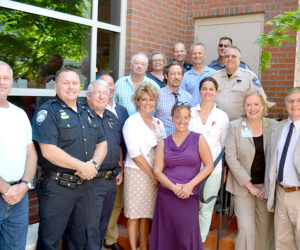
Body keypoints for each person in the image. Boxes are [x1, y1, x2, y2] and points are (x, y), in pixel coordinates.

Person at [32, 68, 107, 250]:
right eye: (65, 83)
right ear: (56, 85)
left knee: (77, 240)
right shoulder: (47, 112)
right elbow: (49, 151)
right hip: (57, 189)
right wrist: (83, 166)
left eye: (75, 83)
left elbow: (102, 143)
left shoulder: (87, 113)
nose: (71, 87)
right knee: (50, 241)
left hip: (85, 187)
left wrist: (94, 165)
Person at [150, 103, 214, 250]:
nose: (181, 121)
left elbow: (209, 165)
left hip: (189, 195)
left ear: (190, 119)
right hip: (167, 196)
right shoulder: (163, 143)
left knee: (187, 236)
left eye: (185, 117)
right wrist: (173, 188)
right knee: (166, 236)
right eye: (178, 117)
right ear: (172, 118)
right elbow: (157, 171)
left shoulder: (198, 139)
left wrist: (190, 185)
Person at [225, 91, 277, 250]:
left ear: (263, 107)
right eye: (248, 105)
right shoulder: (235, 127)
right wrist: (251, 187)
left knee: (265, 230)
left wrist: (267, 188)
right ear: (244, 107)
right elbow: (231, 158)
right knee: (247, 229)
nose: (252, 108)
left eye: (256, 104)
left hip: (266, 188)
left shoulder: (273, 126)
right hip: (243, 187)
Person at [122, 83, 165, 250]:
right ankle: (134, 248)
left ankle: (144, 246)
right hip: (137, 172)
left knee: (146, 214)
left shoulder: (158, 122)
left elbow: (163, 148)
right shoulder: (131, 122)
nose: (148, 103)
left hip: (155, 173)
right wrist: (153, 174)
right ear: (137, 101)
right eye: (144, 99)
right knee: (134, 214)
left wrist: (158, 173)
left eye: (151, 99)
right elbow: (134, 154)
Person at [0, 61, 37, 250]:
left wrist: (24, 184)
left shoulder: (20, 114)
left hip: (19, 197)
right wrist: (4, 187)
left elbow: (31, 153)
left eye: (6, 78)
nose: (2, 82)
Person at [189, 76, 229, 242]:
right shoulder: (190, 113)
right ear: (199, 92)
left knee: (206, 206)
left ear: (216, 92)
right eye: (204, 88)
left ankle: (200, 241)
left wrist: (225, 171)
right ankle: (188, 239)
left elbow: (224, 146)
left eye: (211, 89)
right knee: (189, 207)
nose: (207, 92)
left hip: (213, 170)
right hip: (189, 169)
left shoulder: (221, 116)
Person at [85, 79, 124, 250]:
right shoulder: (82, 117)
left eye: (105, 92)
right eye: (97, 93)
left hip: (111, 179)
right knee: (89, 225)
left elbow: (117, 144)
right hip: (92, 180)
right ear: (88, 96)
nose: (102, 96)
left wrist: (120, 167)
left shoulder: (112, 118)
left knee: (103, 224)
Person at [265, 87, 300, 250]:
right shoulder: (277, 128)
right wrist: (270, 194)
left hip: (298, 194)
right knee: (282, 243)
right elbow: (270, 163)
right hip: (280, 193)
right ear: (286, 105)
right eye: (291, 101)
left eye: (298, 101)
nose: (294, 105)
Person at [100, 75, 129, 250]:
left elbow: (123, 139)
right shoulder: (93, 109)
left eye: (111, 85)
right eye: (104, 85)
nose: (108, 88)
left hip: (119, 164)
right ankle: (96, 238)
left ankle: (110, 238)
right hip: (99, 167)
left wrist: (123, 165)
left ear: (114, 88)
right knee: (97, 204)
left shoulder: (123, 110)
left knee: (116, 204)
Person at [212, 45, 272, 121]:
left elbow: (262, 101)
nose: (230, 59)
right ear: (223, 59)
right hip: (217, 123)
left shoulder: (249, 77)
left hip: (241, 125)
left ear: (239, 59)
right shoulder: (214, 77)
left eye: (233, 56)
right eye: (227, 56)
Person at [154, 61, 192, 136]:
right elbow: (151, 120)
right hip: (164, 142)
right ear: (166, 76)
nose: (176, 77)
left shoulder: (188, 97)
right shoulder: (157, 95)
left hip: (184, 142)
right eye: (173, 74)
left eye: (179, 74)